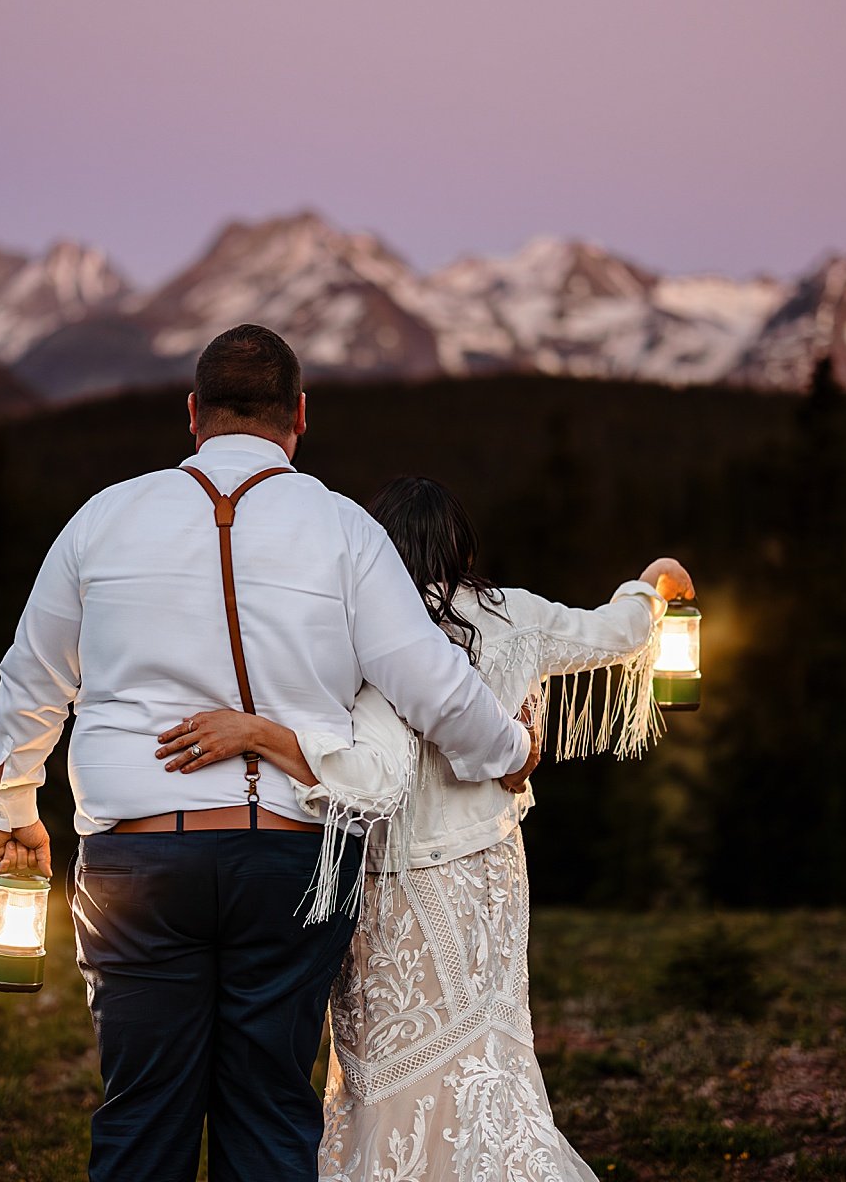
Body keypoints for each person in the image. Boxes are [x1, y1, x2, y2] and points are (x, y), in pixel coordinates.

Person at [0, 327, 537, 1182]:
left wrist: (13, 806)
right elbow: (429, 680)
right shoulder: (345, 529)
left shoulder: (104, 517)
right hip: (297, 858)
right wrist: (509, 750)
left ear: (194, 412)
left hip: (138, 855)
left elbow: (31, 678)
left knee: (140, 1116)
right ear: (299, 418)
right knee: (273, 1113)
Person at [155, 476, 694, 1181]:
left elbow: (354, 768)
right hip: (487, 876)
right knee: (489, 1055)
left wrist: (260, 737)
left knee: (383, 1064)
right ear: (461, 548)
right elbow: (613, 633)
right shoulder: (513, 617)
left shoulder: (355, 632)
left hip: (382, 879)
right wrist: (652, 588)